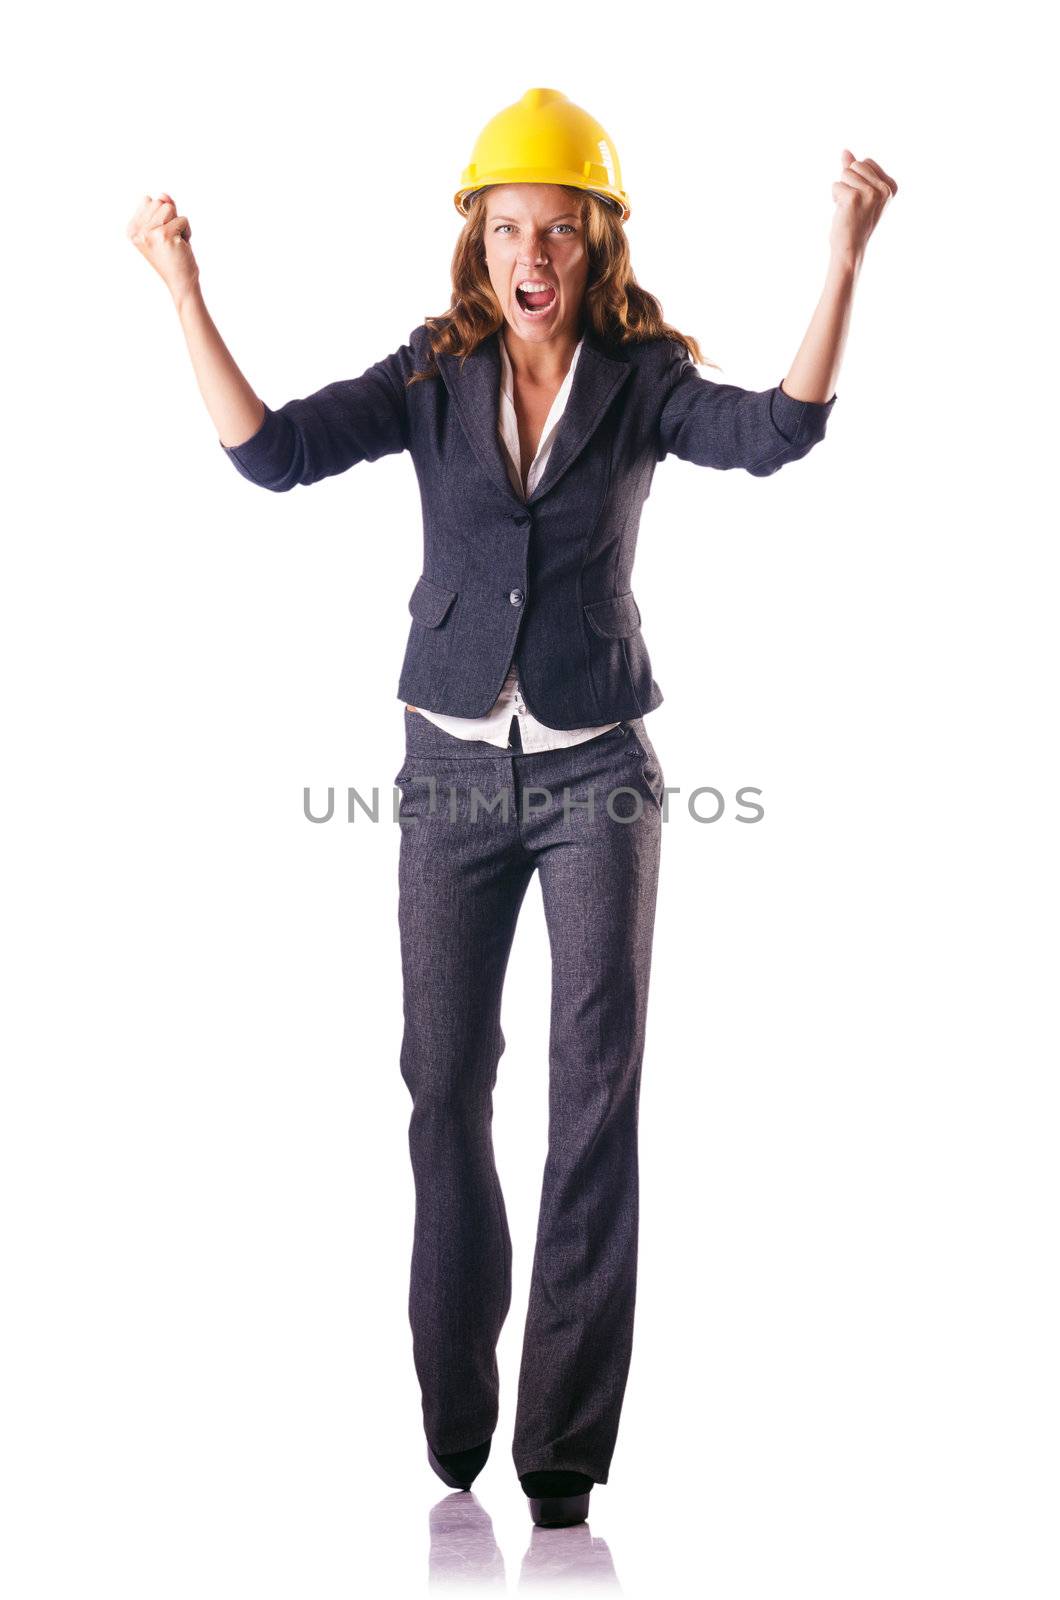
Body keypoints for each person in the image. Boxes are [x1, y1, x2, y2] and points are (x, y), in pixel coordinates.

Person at [128, 86, 896, 1528]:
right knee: (441, 1083)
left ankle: (563, 1448)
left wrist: (844, 256)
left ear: (597, 243)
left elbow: (779, 432)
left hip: (602, 771)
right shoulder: (432, 370)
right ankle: (454, 1410)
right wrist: (185, 289)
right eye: (506, 230)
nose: (529, 253)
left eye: (557, 228)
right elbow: (273, 454)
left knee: (594, 1099)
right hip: (447, 773)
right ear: (476, 247)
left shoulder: (644, 372)